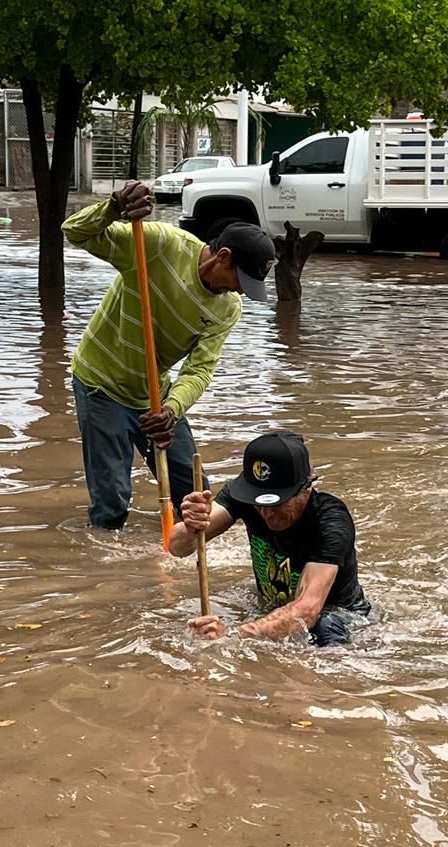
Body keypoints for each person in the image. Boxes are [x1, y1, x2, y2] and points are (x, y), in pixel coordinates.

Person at [62, 180, 276, 529]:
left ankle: (174, 562)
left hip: (155, 396)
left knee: (194, 496)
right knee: (112, 503)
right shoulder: (162, 246)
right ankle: (104, 573)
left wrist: (172, 410)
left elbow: (199, 370)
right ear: (223, 257)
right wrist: (113, 207)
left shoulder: (227, 308)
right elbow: (75, 232)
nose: (239, 291)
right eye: (240, 280)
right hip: (102, 383)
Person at [169, 431, 371, 646]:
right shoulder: (244, 495)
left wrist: (233, 636)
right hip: (276, 606)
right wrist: (192, 526)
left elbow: (308, 610)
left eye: (277, 504)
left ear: (307, 489)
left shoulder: (330, 520)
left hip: (339, 615)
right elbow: (178, 548)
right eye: (259, 503)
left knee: (325, 627)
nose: (267, 513)